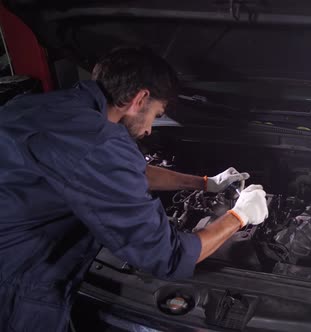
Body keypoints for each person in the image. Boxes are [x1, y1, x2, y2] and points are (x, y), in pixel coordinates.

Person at [0, 47, 269, 331]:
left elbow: (118, 171)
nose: (151, 129)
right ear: (140, 98)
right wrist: (239, 216)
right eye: (157, 113)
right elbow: (169, 257)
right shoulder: (100, 142)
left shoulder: (38, 106)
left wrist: (203, 183)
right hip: (14, 281)